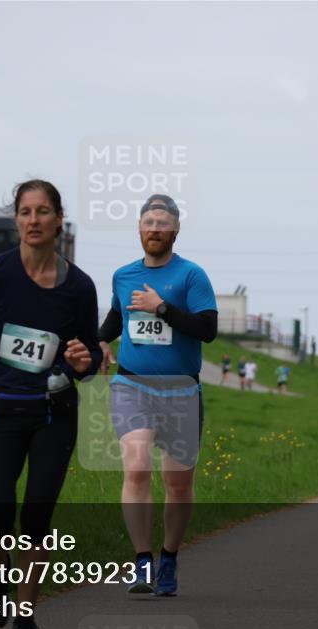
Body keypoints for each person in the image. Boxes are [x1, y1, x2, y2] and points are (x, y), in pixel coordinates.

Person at [0, 179, 102, 629]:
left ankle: (25, 617)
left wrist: (83, 362)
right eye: (26, 212)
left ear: (59, 220)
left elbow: (91, 358)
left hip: (54, 414)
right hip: (0, 412)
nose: (34, 220)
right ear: (16, 219)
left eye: (43, 211)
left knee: (35, 518)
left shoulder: (80, 286)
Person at [97, 194, 217, 598]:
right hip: (132, 385)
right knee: (136, 468)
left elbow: (207, 330)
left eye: (162, 223)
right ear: (139, 228)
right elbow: (118, 317)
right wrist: (100, 340)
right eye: (148, 222)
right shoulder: (123, 275)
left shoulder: (192, 276)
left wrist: (162, 307)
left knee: (177, 484)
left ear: (175, 230)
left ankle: (169, 556)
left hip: (181, 390)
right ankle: (142, 560)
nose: (155, 229)